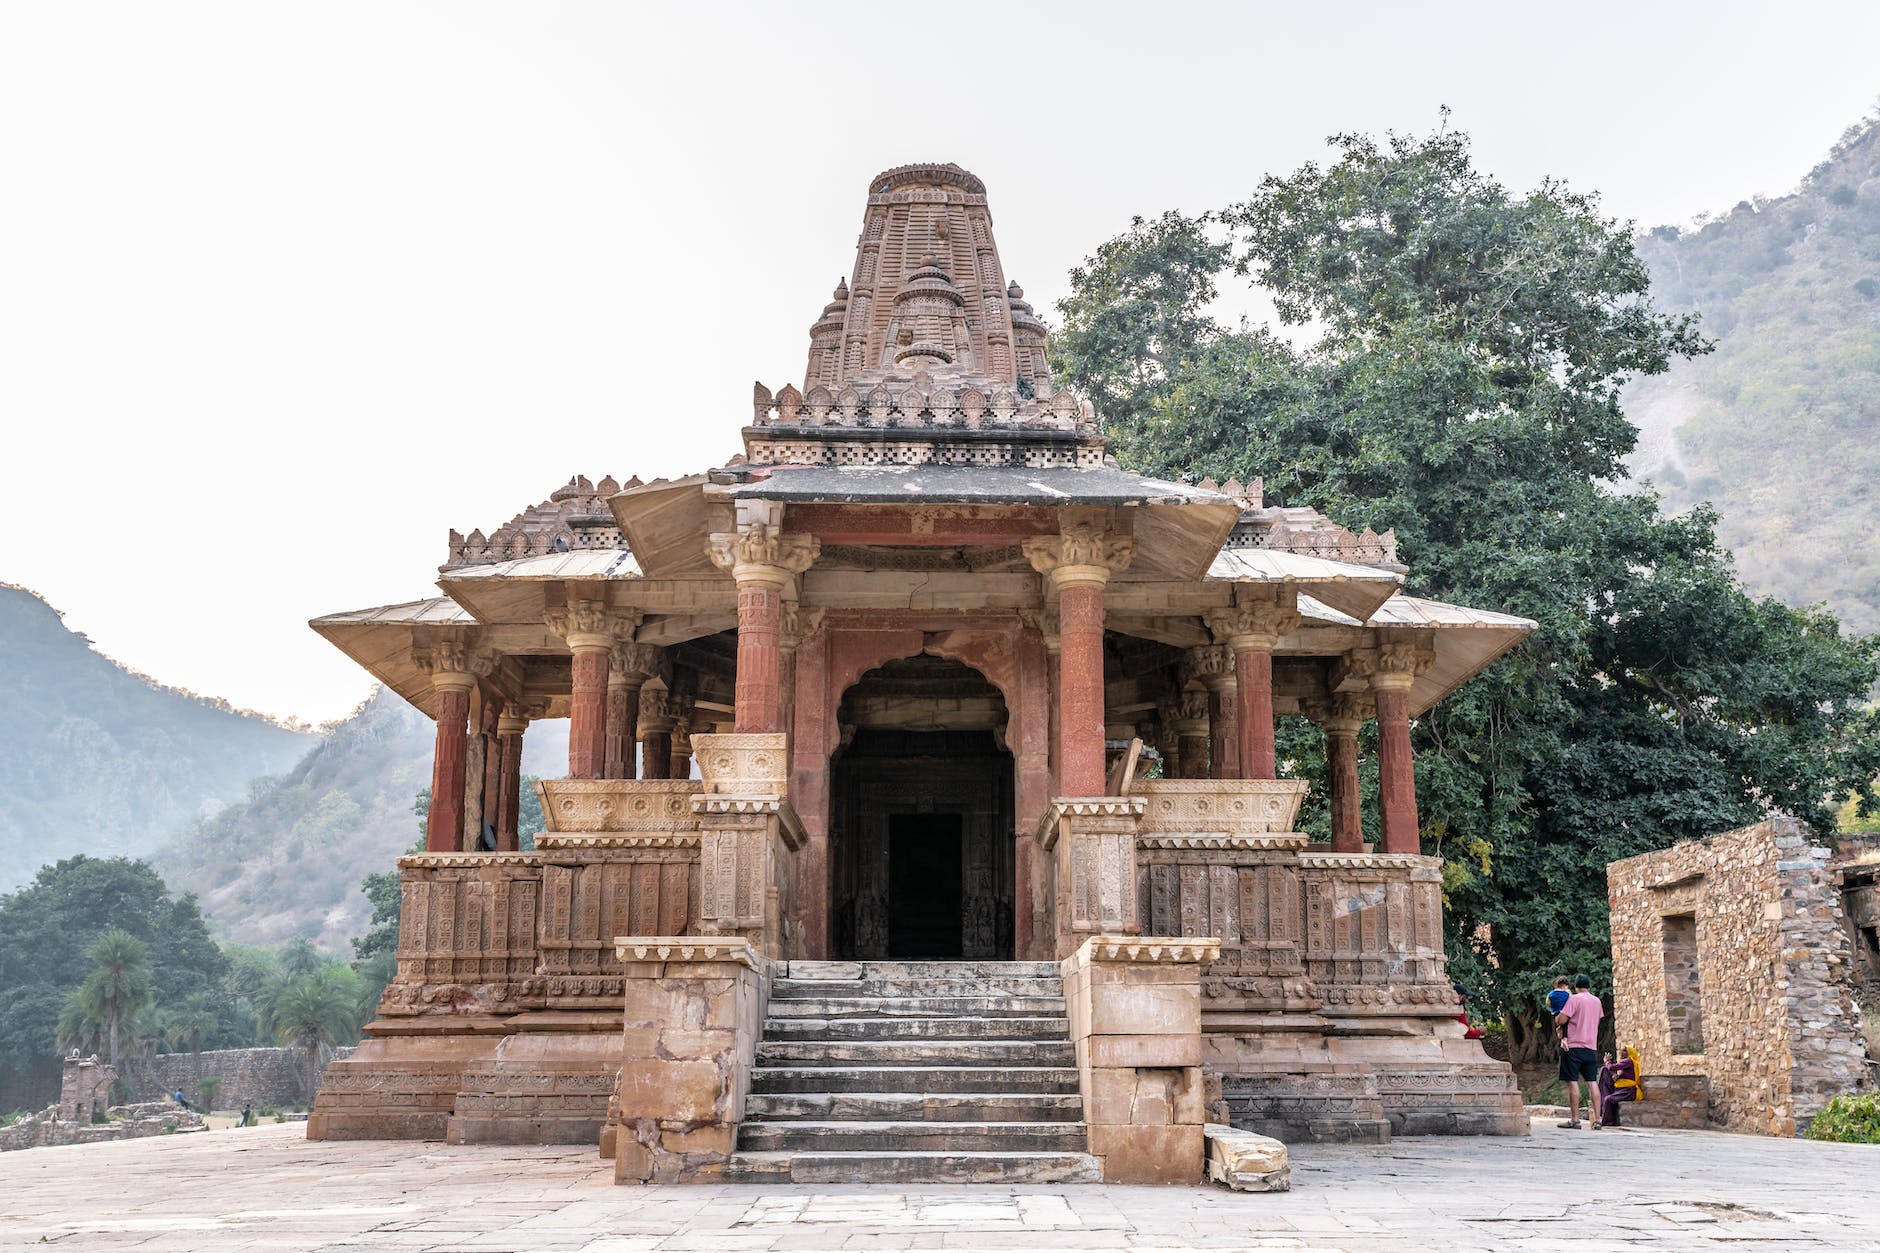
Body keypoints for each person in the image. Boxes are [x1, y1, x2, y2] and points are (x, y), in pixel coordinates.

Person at [1555, 973, 1605, 1128]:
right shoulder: (1597, 1001)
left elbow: (1561, 1019)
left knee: (1573, 1082)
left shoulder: (1574, 999)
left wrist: (1557, 1019)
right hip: (1591, 1047)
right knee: (1592, 1082)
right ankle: (1598, 1119)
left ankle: (1575, 1120)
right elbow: (1596, 1022)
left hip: (1573, 1047)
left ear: (1576, 987)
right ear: (1588, 986)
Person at [1596, 1046, 1643, 1128]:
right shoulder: (1626, 1063)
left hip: (1629, 1091)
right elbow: (1624, 1076)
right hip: (1621, 1089)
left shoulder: (1629, 1061)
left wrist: (1607, 1061)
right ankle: (1602, 1108)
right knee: (1604, 1070)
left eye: (1624, 1051)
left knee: (1608, 1099)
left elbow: (1611, 1067)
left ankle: (1607, 1122)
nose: (1621, 1052)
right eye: (1621, 1050)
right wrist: (1617, 1076)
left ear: (1630, 1053)